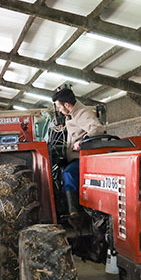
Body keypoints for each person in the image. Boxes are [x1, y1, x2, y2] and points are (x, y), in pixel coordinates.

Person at [52, 88, 104, 217]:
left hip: (84, 157)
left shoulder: (82, 113)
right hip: (75, 157)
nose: (59, 110)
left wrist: (82, 142)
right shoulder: (72, 115)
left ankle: (74, 211)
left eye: (59, 107)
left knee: (69, 173)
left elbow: (97, 128)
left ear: (67, 105)